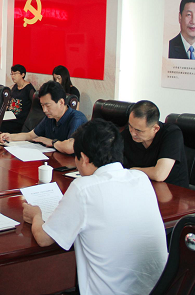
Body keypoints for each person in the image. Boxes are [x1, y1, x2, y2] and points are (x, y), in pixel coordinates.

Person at [23, 119, 168, 295]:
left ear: (84, 158)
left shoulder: (83, 188)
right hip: (158, 290)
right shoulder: (141, 178)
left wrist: (36, 215)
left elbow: (44, 239)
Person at [0, 81, 86, 154]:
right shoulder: (50, 118)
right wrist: (10, 137)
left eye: (47, 106)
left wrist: (52, 142)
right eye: (42, 105)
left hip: (71, 166)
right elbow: (30, 135)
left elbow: (71, 147)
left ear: (61, 102)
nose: (44, 110)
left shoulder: (77, 118)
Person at [122, 100, 189, 188]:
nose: (133, 133)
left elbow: (159, 175)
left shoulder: (172, 134)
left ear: (155, 129)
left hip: (173, 191)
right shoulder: (127, 134)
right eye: (130, 126)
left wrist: (134, 170)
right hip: (142, 188)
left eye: (138, 130)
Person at [1, 64, 36, 133]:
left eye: (15, 74)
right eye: (12, 74)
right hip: (10, 117)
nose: (13, 76)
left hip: (20, 120)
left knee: (2, 126)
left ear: (22, 74)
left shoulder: (29, 89)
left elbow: (35, 105)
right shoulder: (14, 87)